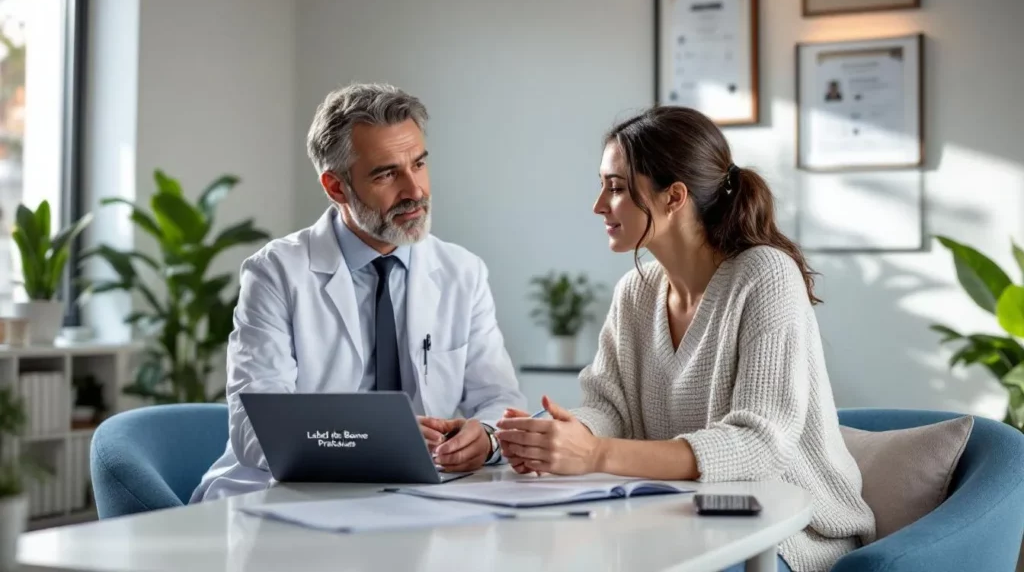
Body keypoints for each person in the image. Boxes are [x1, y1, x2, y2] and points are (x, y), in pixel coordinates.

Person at [495, 106, 875, 572]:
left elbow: (759, 444)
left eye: (615, 187)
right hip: (681, 522)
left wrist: (595, 453)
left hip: (791, 532)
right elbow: (611, 407)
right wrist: (553, 434)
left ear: (674, 196)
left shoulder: (766, 275)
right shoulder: (635, 291)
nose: (599, 205)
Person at [191, 83, 526, 502]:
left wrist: (488, 438)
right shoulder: (275, 273)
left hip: (419, 497)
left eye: (418, 164)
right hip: (291, 495)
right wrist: (377, 442)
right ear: (336, 188)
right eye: (387, 174)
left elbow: (499, 399)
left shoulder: (463, 272)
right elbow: (255, 428)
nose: (415, 190)